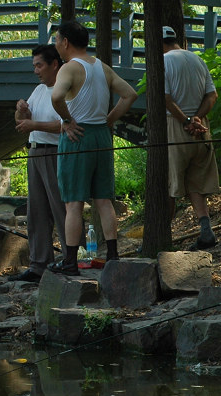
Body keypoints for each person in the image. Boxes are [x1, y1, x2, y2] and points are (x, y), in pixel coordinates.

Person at [50, 21, 138, 273]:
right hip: (101, 135)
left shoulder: (69, 68)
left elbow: (56, 97)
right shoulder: (102, 67)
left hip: (78, 136)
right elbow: (130, 94)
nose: (56, 45)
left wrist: (67, 120)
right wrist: (109, 120)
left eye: (57, 40)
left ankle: (69, 262)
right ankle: (112, 255)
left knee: (73, 202)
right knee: (103, 199)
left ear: (65, 41)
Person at [10, 45, 68, 282]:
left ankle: (72, 258)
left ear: (54, 64)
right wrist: (21, 111)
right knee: (36, 212)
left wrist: (34, 126)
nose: (35, 70)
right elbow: (21, 122)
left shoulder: (65, 90)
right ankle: (38, 265)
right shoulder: (39, 90)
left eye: (39, 65)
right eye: (34, 65)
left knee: (62, 209)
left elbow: (67, 125)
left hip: (55, 153)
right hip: (35, 153)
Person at [162, 26, 221, 251]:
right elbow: (212, 94)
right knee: (196, 181)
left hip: (177, 127)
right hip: (201, 128)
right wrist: (198, 117)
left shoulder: (164, 62)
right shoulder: (197, 59)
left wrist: (186, 120)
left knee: (171, 184)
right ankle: (205, 229)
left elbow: (166, 99)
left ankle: (163, 236)